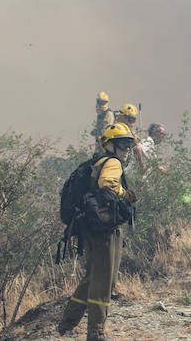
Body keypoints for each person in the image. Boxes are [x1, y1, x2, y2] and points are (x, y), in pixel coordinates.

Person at [58, 123, 138, 340]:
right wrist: (125, 193)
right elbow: (108, 184)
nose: (127, 149)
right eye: (122, 144)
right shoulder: (112, 163)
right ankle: (96, 331)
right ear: (109, 145)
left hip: (91, 228)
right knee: (104, 281)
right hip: (104, 230)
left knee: (92, 277)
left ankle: (66, 323)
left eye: (129, 144)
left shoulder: (98, 161)